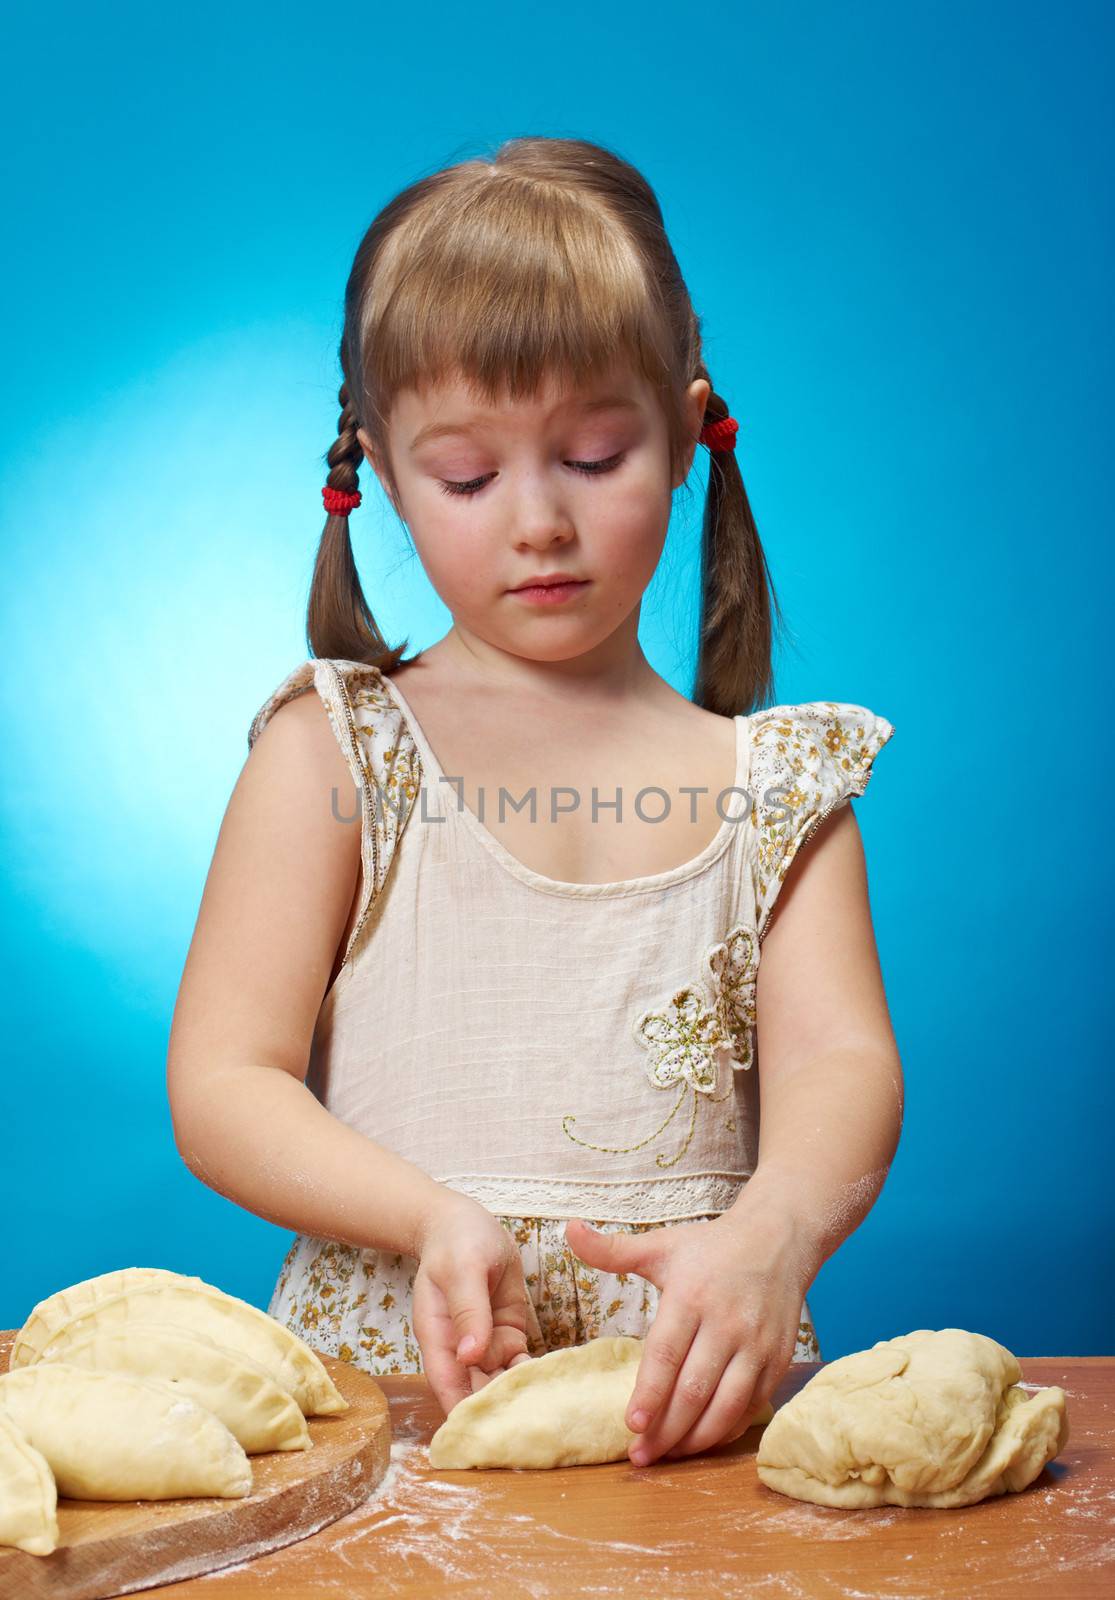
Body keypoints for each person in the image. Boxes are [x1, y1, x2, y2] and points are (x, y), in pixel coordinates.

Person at [167, 135, 902, 1471]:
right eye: (468, 479)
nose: (539, 522)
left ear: (686, 435)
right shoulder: (337, 757)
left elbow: (838, 1064)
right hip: (394, 1384)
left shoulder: (780, 788)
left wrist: (776, 1233)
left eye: (595, 454)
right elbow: (225, 1077)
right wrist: (434, 1217)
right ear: (381, 473)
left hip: (697, 1389)